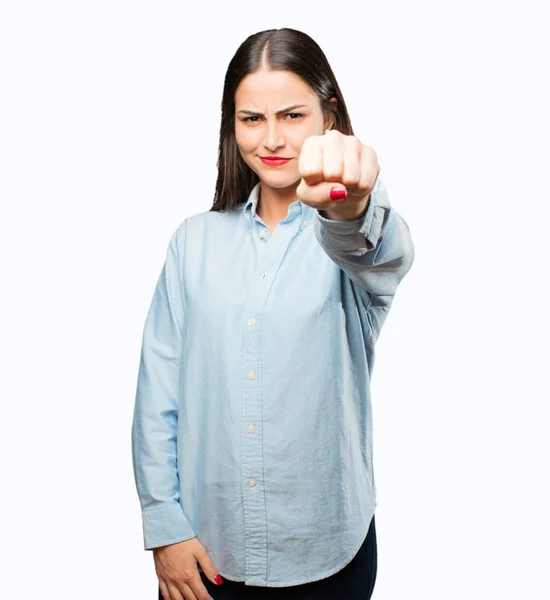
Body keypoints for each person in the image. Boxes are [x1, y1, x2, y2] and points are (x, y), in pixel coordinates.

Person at [131, 27, 415, 600]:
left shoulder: (347, 238)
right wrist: (165, 526)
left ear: (328, 115)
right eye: (251, 119)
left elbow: (379, 248)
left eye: (291, 115)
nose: (272, 139)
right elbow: (159, 396)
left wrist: (354, 201)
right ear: (231, 126)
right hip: (207, 557)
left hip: (329, 554)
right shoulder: (193, 243)